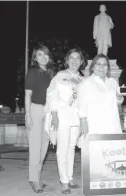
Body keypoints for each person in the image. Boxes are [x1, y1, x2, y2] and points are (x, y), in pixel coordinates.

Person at [45, 48, 85, 194]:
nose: (74, 61)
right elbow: (51, 95)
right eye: (71, 58)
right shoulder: (60, 76)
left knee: (72, 147)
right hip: (62, 115)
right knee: (62, 149)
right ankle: (64, 181)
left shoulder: (83, 79)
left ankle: (70, 177)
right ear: (67, 60)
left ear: (81, 61)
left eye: (77, 58)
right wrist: (54, 114)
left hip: (76, 117)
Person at [25, 45, 54, 194]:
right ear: (35, 58)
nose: (43, 57)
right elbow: (28, 95)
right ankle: (34, 180)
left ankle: (36, 177)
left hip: (48, 112)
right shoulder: (32, 72)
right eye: (39, 55)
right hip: (35, 110)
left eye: (45, 54)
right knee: (35, 148)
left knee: (44, 148)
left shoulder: (50, 74)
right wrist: (27, 115)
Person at [77, 54, 123, 138]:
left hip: (112, 124)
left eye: (104, 64)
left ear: (107, 68)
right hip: (94, 125)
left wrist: (119, 97)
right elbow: (81, 105)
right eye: (98, 64)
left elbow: (117, 102)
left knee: (112, 149)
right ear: (93, 67)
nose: (101, 67)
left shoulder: (113, 82)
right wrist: (83, 123)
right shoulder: (86, 83)